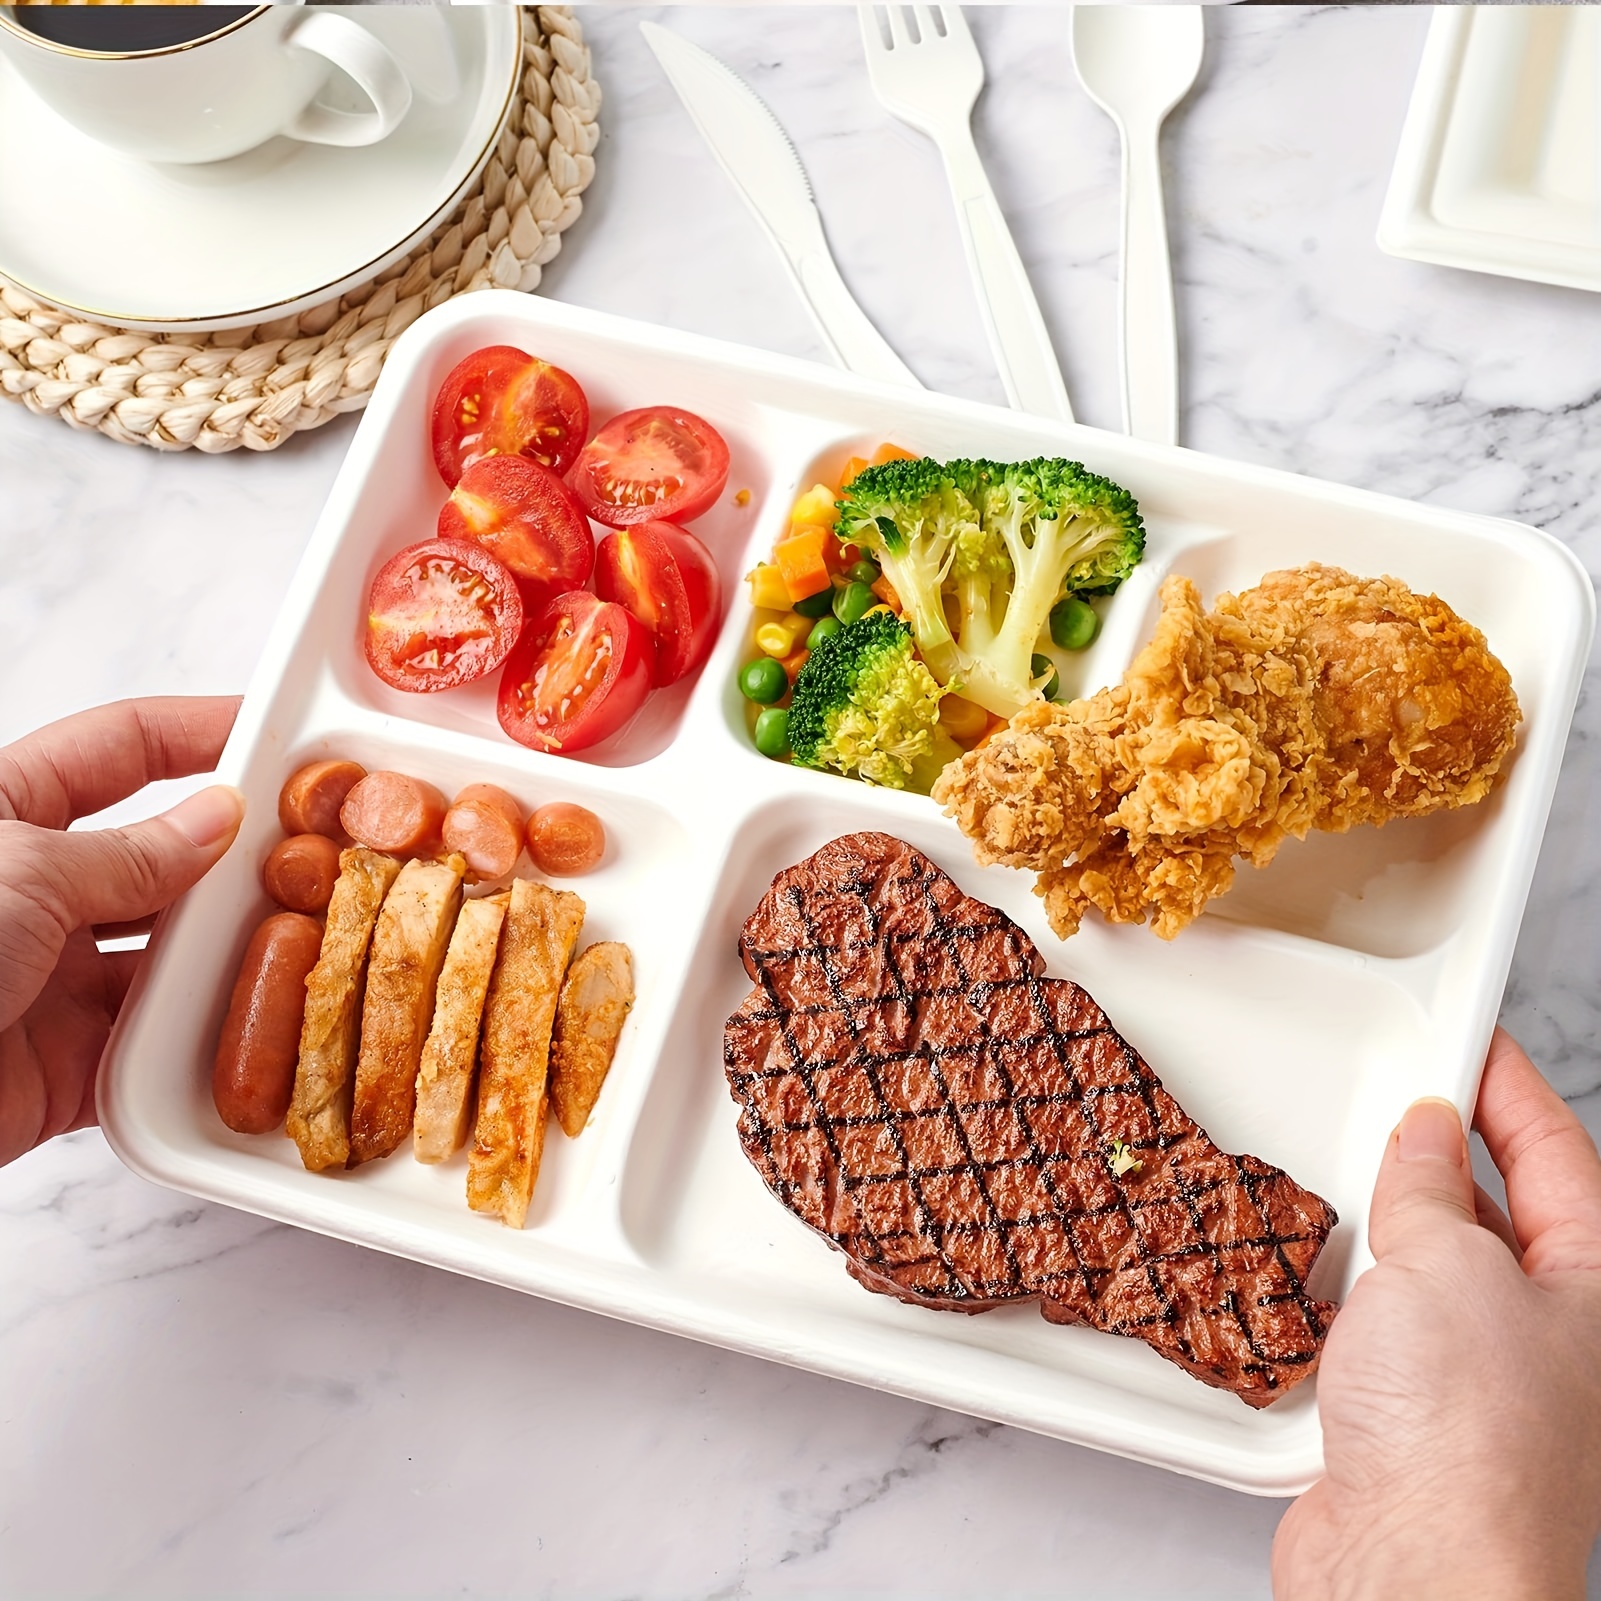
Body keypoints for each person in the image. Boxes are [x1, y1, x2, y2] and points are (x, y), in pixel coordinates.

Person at [2, 699, 1599, 1593]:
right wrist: (1456, 1546)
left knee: (1005, 1194)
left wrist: (1446, 1535)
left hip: (1001, 1147)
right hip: (958, 1130)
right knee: (999, 1195)